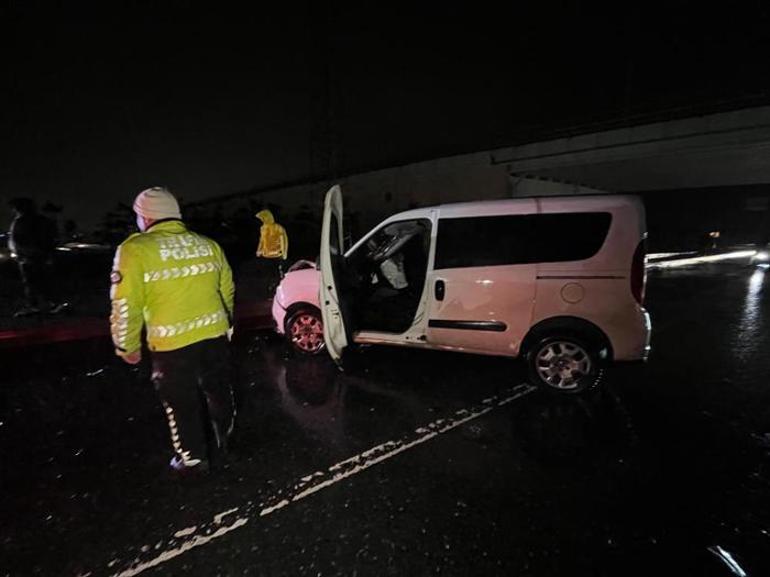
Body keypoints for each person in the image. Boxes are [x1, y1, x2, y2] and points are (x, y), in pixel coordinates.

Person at [110, 187, 236, 475]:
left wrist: (126, 346)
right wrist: (226, 324)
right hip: (214, 334)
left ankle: (192, 459)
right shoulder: (208, 244)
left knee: (181, 401)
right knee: (218, 389)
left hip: (171, 345)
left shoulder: (135, 250)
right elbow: (226, 288)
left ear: (145, 216)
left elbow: (125, 304)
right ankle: (225, 438)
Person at [7, 197, 65, 316]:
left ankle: (35, 305)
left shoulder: (22, 222)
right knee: (43, 281)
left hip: (29, 257)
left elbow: (18, 240)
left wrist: (23, 253)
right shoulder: (43, 221)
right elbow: (53, 238)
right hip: (39, 256)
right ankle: (52, 303)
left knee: (31, 282)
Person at [256, 209, 288, 294]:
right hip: (266, 256)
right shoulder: (263, 228)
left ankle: (279, 290)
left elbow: (283, 240)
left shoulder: (278, 227)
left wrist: (284, 253)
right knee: (268, 275)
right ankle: (270, 291)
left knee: (278, 274)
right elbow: (262, 240)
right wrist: (259, 250)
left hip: (277, 255)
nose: (262, 220)